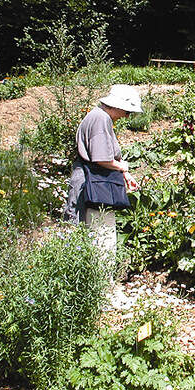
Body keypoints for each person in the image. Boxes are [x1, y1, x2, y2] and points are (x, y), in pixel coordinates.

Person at [63, 85, 142, 270]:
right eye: (127, 111)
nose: (127, 116)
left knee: (93, 231)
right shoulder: (101, 119)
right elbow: (101, 158)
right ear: (118, 106)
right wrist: (122, 166)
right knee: (99, 233)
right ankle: (99, 281)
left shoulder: (98, 116)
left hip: (90, 178)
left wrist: (125, 173)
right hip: (92, 182)